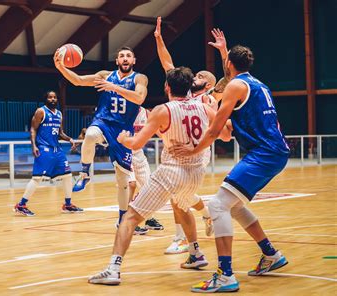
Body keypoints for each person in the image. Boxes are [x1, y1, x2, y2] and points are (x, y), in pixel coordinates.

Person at [87, 67, 231, 285]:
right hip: (196, 172)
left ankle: (113, 269)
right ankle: (196, 254)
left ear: (167, 87)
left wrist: (124, 139)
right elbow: (226, 135)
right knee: (182, 205)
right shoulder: (204, 107)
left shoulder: (163, 110)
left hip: (172, 171)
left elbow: (136, 143)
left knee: (130, 218)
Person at [170, 45, 289, 293]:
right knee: (234, 205)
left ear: (228, 66)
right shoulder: (257, 84)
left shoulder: (235, 86)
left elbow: (215, 131)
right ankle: (271, 254)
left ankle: (225, 274)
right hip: (274, 152)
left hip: (263, 153)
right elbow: (226, 133)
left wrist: (193, 150)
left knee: (217, 205)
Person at [155, 17, 227, 254]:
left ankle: (183, 239)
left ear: (207, 85)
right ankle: (205, 215)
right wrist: (158, 39)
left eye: (199, 77)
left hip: (197, 151)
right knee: (182, 195)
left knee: (177, 196)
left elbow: (228, 79)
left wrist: (223, 51)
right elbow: (167, 63)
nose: (194, 78)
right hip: (176, 146)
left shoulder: (209, 99)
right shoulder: (181, 91)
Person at [54, 46, 148, 227]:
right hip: (103, 121)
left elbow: (139, 98)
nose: (125, 58)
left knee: (123, 182)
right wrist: (61, 67)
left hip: (122, 130)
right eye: (121, 56)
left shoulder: (139, 78)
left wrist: (115, 88)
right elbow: (79, 81)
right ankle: (85, 174)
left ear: (134, 60)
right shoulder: (106, 75)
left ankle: (122, 218)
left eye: (129, 56)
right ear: (117, 61)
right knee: (89, 135)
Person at [14, 91, 83, 216]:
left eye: (55, 97)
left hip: (57, 149)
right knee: (37, 178)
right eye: (50, 97)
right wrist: (34, 145)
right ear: (46, 99)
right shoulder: (41, 111)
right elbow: (33, 129)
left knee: (67, 175)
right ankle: (21, 204)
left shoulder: (59, 114)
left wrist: (70, 139)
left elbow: (60, 133)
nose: (53, 99)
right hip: (44, 148)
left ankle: (67, 204)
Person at [127, 106, 164, 235]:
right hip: (124, 152)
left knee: (149, 187)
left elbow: (162, 132)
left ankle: (148, 218)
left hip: (138, 153)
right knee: (131, 185)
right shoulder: (123, 109)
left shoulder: (146, 113)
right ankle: (124, 220)